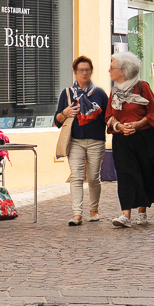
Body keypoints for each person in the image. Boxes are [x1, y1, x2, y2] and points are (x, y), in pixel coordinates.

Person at [106, 52, 154, 227]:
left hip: (143, 139)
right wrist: (120, 126)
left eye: (112, 67)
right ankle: (125, 215)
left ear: (124, 70)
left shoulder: (142, 87)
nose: (108, 70)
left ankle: (142, 212)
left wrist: (136, 125)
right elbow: (109, 117)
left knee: (144, 173)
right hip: (122, 140)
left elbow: (153, 114)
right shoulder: (114, 91)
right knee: (126, 176)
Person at [55, 56, 109, 226]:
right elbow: (57, 120)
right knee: (77, 177)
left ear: (91, 71)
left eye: (87, 70)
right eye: (81, 70)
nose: (84, 73)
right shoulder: (67, 94)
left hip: (96, 141)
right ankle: (77, 214)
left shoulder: (100, 93)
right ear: (75, 72)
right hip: (75, 141)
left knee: (93, 177)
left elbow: (109, 117)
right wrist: (65, 113)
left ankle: (94, 210)